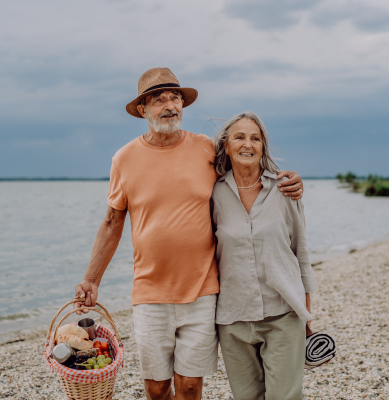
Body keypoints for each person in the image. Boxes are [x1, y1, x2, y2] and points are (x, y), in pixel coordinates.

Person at [74, 68, 304, 400]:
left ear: (183, 104)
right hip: (150, 291)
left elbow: (247, 168)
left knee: (191, 385)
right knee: (156, 388)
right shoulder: (124, 159)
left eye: (175, 98)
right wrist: (92, 279)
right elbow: (112, 222)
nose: (170, 106)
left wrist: (288, 179)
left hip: (202, 290)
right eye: (159, 99)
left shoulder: (206, 149)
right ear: (143, 110)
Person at [211, 111, 317, 400]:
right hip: (233, 317)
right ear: (226, 146)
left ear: (263, 146)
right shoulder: (213, 193)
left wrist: (307, 312)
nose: (248, 144)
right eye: (240, 137)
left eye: (255, 138)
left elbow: (301, 254)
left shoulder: (284, 190)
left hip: (283, 313)